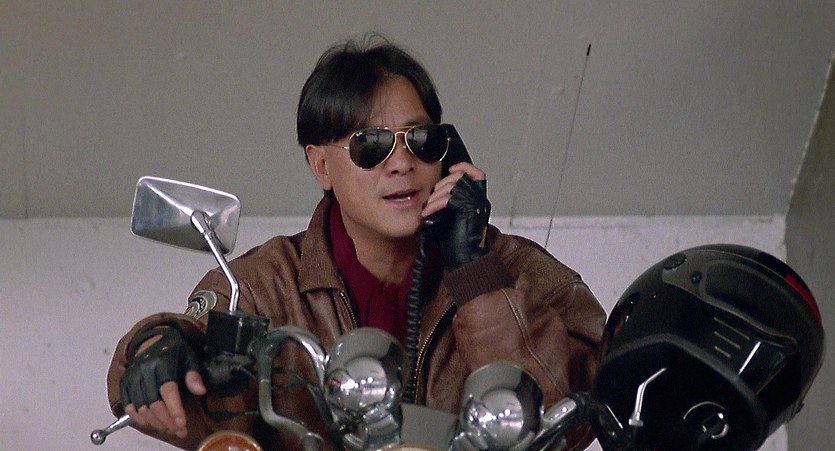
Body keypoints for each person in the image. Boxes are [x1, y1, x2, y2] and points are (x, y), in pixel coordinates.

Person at [106, 35, 606, 450]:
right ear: (321, 165)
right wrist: (156, 347)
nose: (402, 163)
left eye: (421, 140)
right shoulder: (263, 286)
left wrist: (474, 272)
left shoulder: (520, 271)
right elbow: (190, 364)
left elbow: (575, 419)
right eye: (372, 145)